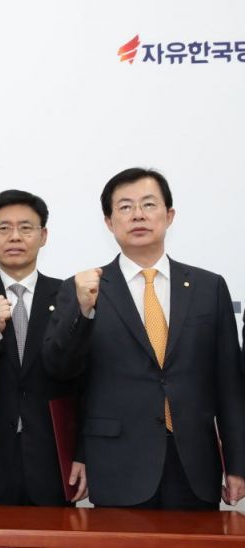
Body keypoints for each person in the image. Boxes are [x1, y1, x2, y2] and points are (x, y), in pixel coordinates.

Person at [43, 167, 245, 510]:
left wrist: (237, 464)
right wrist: (83, 310)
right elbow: (60, 370)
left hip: (194, 463)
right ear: (109, 222)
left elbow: (229, 382)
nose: (137, 215)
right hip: (117, 462)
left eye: (148, 204)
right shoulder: (82, 289)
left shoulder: (209, 287)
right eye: (125, 207)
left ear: (169, 215)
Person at [0, 189, 85, 506]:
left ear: (43, 236)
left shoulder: (70, 296)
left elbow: (87, 382)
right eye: (4, 228)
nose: (15, 236)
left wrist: (83, 453)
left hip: (53, 457)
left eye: (26, 228)